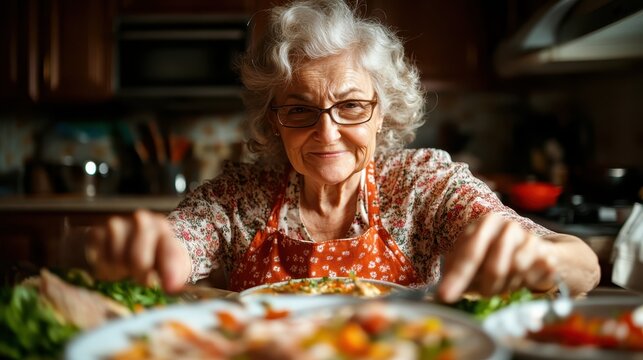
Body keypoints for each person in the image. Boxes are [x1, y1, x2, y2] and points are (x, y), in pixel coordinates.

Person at [88, 0, 600, 302]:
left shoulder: (422, 184)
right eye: (300, 109)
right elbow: (178, 243)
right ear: (275, 121)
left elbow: (580, 265)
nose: (327, 133)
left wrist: (536, 257)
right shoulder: (237, 196)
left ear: (383, 111)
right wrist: (141, 252)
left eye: (351, 106)